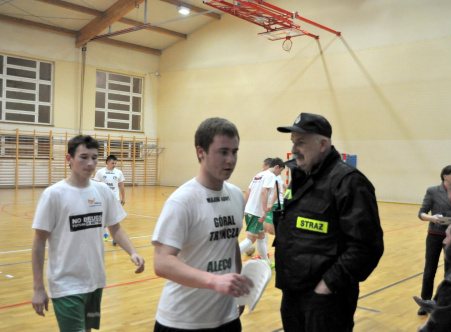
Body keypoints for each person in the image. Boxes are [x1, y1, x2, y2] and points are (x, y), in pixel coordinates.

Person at [274, 112, 384, 331]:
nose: (294, 149)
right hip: (293, 294)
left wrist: (328, 285)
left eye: (301, 143)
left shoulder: (348, 182)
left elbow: (367, 247)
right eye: (293, 143)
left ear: (323, 144)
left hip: (326, 302)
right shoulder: (301, 179)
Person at [31, 135, 145, 332]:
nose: (90, 163)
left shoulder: (103, 191)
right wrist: (38, 288)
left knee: (87, 329)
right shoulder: (53, 194)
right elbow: (39, 242)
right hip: (65, 285)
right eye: (84, 157)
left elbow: (115, 228)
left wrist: (133, 252)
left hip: (95, 282)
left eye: (94, 158)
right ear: (69, 159)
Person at [152, 117, 253, 331]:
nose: (230, 160)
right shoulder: (182, 201)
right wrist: (214, 281)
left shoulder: (236, 195)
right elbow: (162, 262)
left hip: (227, 318)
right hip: (181, 321)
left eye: (234, 152)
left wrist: (237, 286)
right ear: (201, 152)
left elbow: (231, 241)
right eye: (223, 152)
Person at [417, 165, 451, 315]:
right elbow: (421, 213)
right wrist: (431, 218)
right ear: (445, 176)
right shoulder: (432, 191)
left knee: (450, 270)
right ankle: (425, 301)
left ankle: (446, 301)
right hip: (434, 234)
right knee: (430, 269)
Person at [239, 158, 285, 268]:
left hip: (250, 209)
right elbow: (264, 191)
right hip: (256, 211)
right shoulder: (271, 176)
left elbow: (248, 192)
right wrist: (264, 210)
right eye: (281, 171)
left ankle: (267, 262)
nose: (280, 173)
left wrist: (243, 207)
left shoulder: (258, 175)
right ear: (277, 167)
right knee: (251, 239)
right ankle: (231, 260)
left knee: (261, 235)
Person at [94, 155, 126, 245]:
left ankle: (115, 237)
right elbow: (95, 185)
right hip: (102, 198)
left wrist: (123, 197)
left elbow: (121, 186)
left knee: (115, 218)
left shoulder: (119, 172)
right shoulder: (100, 172)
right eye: (112, 163)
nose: (114, 164)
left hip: (115, 198)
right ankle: (105, 233)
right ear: (107, 162)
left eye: (115, 163)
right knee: (103, 217)